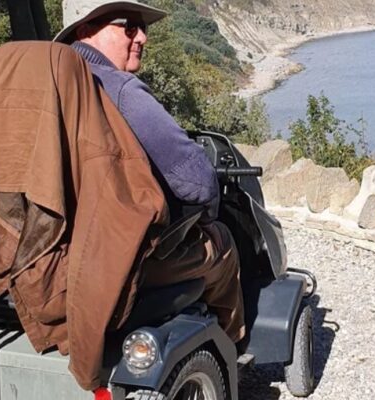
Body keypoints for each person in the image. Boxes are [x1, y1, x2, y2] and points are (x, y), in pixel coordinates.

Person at [54, 0, 245, 344]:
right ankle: (231, 355)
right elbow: (197, 180)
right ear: (85, 31)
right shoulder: (120, 90)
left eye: (144, 28)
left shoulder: (46, 88)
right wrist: (208, 218)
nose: (142, 37)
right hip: (117, 262)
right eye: (128, 26)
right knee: (223, 243)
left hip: (51, 259)